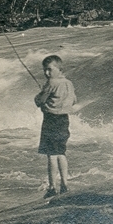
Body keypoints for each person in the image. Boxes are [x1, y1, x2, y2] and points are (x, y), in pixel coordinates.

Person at [34, 54, 77, 198]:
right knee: (61, 153)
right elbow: (74, 100)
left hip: (51, 120)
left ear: (59, 69)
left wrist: (41, 95)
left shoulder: (52, 83)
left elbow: (40, 100)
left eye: (49, 70)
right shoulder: (69, 83)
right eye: (44, 70)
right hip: (64, 120)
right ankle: (65, 184)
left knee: (51, 155)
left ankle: (52, 187)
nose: (47, 73)